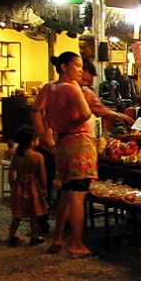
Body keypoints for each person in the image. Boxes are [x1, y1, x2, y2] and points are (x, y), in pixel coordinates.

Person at [32, 52, 95, 259]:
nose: (80, 69)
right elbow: (86, 114)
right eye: (76, 65)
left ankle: (58, 238)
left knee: (67, 192)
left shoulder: (49, 88)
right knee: (77, 194)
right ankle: (76, 244)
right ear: (63, 67)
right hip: (79, 143)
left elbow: (36, 110)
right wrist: (75, 124)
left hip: (61, 144)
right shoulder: (71, 88)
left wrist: (43, 135)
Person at [7, 126, 49, 247]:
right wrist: (44, 187)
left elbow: (11, 172)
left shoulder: (16, 155)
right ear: (32, 141)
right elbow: (42, 174)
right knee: (34, 214)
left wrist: (12, 185)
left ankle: (11, 236)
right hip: (33, 187)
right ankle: (34, 237)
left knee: (17, 214)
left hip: (19, 185)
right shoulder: (38, 156)